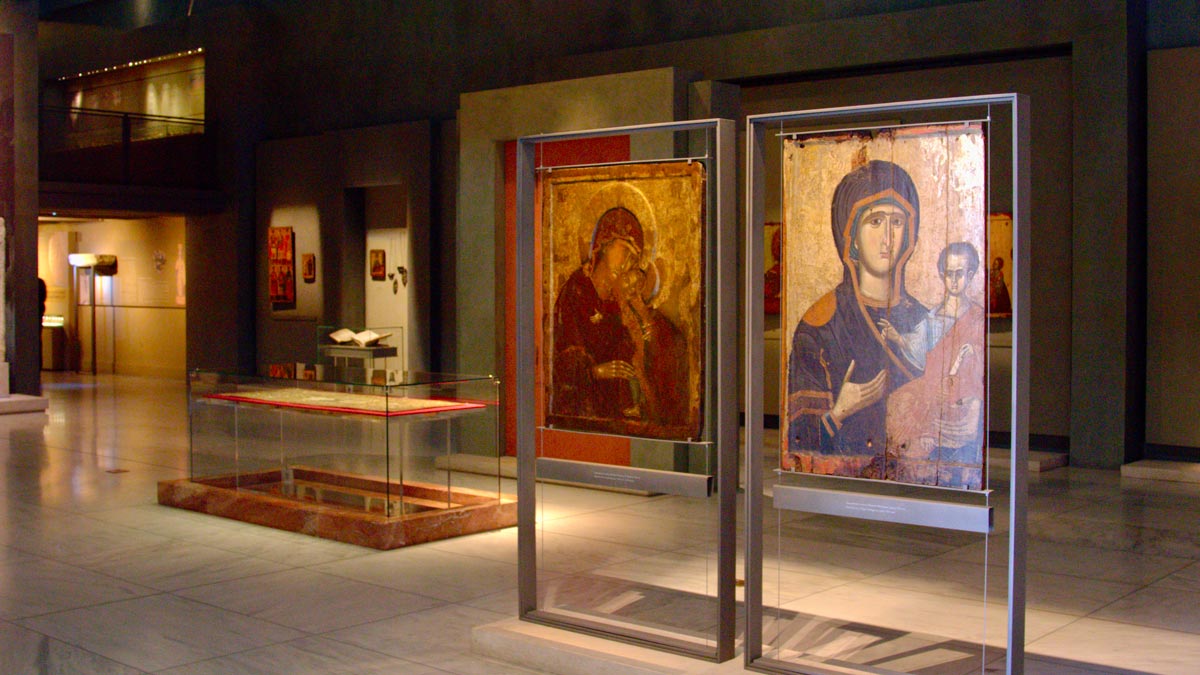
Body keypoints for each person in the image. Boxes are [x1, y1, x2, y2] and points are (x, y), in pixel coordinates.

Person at [785, 160, 928, 478]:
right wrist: (839, 411)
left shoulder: (924, 320)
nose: (888, 238)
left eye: (897, 222)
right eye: (875, 221)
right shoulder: (820, 325)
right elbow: (800, 438)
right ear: (851, 235)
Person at [883, 242, 986, 488]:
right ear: (941, 274)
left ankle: (932, 458)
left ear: (971, 274)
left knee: (934, 406)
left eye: (960, 273)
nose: (954, 280)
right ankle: (912, 470)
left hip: (960, 388)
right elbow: (921, 351)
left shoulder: (977, 317)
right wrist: (898, 338)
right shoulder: (934, 315)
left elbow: (977, 362)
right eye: (949, 273)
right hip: (931, 382)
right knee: (898, 400)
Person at [550, 206, 643, 423]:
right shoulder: (576, 289)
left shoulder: (615, 299)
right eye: (624, 249)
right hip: (581, 406)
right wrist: (596, 372)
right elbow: (559, 360)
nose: (627, 261)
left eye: (633, 256)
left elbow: (623, 351)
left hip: (609, 405)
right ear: (604, 244)